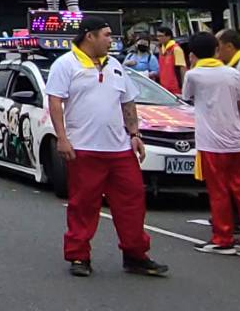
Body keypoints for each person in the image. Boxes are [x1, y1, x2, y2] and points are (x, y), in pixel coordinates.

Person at [48, 17, 168, 278]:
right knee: (83, 204)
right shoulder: (65, 65)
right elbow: (55, 102)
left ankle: (135, 254)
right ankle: (79, 255)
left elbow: (128, 101)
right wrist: (62, 138)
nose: (110, 40)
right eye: (106, 34)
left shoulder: (115, 65)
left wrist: (134, 133)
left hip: (119, 149)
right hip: (84, 148)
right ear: (89, 36)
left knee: (132, 201)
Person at [180, 32, 240, 256]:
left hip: (211, 142)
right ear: (217, 50)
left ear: (193, 55)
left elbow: (187, 97)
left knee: (219, 192)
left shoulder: (193, 75)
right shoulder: (233, 74)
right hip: (238, 140)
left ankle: (222, 238)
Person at [154, 26, 187, 95]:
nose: (158, 38)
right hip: (164, 87)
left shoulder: (176, 49)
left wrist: (184, 87)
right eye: (157, 36)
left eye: (160, 36)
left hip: (176, 88)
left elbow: (182, 68)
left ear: (168, 36)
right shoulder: (161, 50)